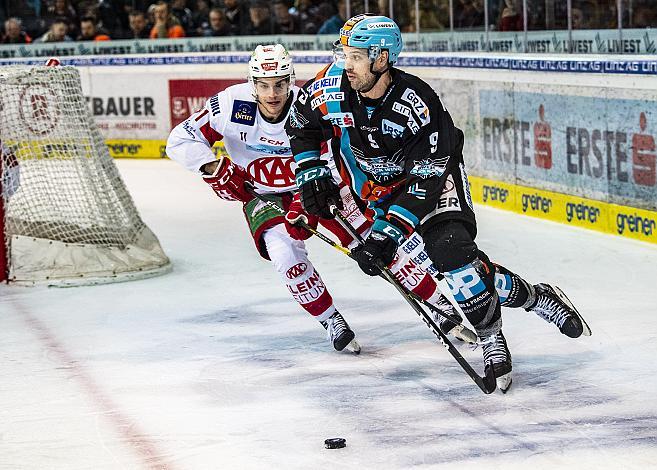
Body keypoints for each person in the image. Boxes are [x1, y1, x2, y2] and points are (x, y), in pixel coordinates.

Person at [285, 14, 591, 388]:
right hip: (378, 189)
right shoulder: (330, 86)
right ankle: (534, 297)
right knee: (459, 269)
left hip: (433, 182)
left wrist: (385, 235)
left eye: (355, 55)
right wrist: (310, 172)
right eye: (343, 53)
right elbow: (300, 123)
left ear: (381, 59)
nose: (345, 63)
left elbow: (424, 184)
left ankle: (491, 337)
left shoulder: (418, 102)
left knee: (452, 256)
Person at [166, 44, 452, 353]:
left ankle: (440, 307)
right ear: (253, 84)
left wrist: (309, 199)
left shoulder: (309, 103)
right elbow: (179, 139)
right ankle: (331, 320)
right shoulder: (232, 105)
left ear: (290, 80)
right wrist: (212, 166)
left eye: (279, 83)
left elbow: (336, 152)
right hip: (263, 194)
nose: (272, 93)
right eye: (263, 85)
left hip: (321, 186)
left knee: (373, 242)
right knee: (284, 254)